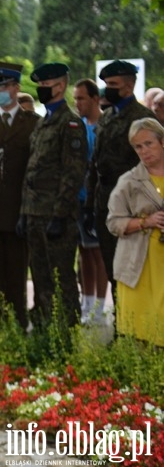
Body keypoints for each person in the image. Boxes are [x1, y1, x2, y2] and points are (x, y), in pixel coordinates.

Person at [85, 60, 153, 326]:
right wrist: (90, 204)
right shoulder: (108, 116)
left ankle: (138, 328)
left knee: (133, 270)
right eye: (106, 85)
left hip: (133, 207)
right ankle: (122, 327)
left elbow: (151, 164)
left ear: (129, 86)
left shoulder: (142, 118)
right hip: (105, 203)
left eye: (113, 85)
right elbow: (95, 164)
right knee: (113, 268)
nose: (108, 90)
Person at [20, 63, 87, 326]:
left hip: (56, 215)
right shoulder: (43, 121)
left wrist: (59, 215)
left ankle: (66, 333)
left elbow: (73, 173)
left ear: (60, 86)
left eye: (45, 85)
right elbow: (33, 171)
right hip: (35, 213)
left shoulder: (69, 124)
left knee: (61, 277)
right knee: (40, 275)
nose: (41, 90)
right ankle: (44, 327)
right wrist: (25, 212)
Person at [0, 62, 39, 328]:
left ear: (16, 88)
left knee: (17, 275)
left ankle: (19, 325)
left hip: (20, 209)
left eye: (3, 86)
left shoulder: (33, 123)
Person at [106, 118, 164, 346]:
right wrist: (145, 221)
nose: (144, 151)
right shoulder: (128, 182)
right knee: (142, 332)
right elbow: (113, 222)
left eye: (149, 143)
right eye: (138, 147)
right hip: (139, 264)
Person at [73, 79, 108, 324]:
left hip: (97, 200)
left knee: (98, 253)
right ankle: (86, 303)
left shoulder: (105, 124)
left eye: (82, 98)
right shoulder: (79, 125)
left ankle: (99, 307)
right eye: (75, 99)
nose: (77, 103)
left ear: (95, 99)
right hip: (78, 198)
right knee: (84, 253)